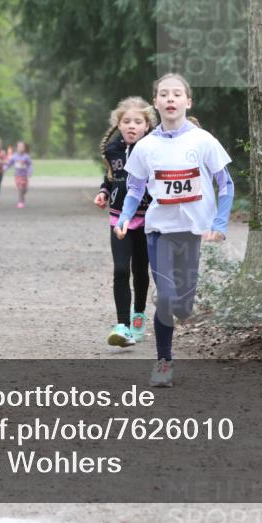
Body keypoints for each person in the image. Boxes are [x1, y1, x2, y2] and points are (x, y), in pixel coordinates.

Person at [115, 74, 234, 387]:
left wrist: (220, 222)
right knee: (167, 298)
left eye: (177, 94)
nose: (170, 98)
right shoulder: (146, 146)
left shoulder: (203, 141)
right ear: (155, 102)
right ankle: (164, 362)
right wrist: (125, 217)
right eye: (164, 94)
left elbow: (226, 184)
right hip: (160, 231)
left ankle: (174, 303)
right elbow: (135, 188)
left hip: (192, 232)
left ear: (188, 102)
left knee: (183, 305)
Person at [94, 97, 156, 348]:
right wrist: (104, 192)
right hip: (119, 218)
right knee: (120, 269)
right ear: (118, 124)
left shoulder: (154, 148)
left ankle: (138, 315)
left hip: (147, 218)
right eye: (127, 121)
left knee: (140, 270)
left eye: (138, 122)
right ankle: (122, 325)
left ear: (147, 125)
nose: (132, 126)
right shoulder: (113, 150)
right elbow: (111, 176)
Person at [5, 141, 33, 208]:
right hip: (17, 175)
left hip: (24, 175)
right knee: (20, 188)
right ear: (16, 148)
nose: (20, 148)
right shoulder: (14, 156)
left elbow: (29, 165)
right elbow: (10, 163)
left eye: (22, 147)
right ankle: (21, 202)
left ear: (25, 148)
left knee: (24, 189)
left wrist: (30, 172)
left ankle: (23, 195)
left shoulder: (26, 157)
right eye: (19, 147)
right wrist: (5, 168)